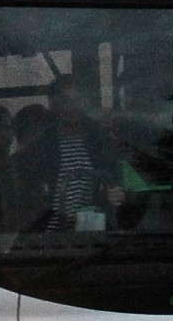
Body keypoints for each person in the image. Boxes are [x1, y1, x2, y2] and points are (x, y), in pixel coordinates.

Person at [34, 74, 125, 231]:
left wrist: (115, 193)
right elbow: (35, 194)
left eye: (77, 100)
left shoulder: (98, 139)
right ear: (53, 105)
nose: (73, 107)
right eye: (65, 101)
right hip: (53, 234)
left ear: (85, 102)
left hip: (91, 232)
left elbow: (114, 182)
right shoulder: (44, 143)